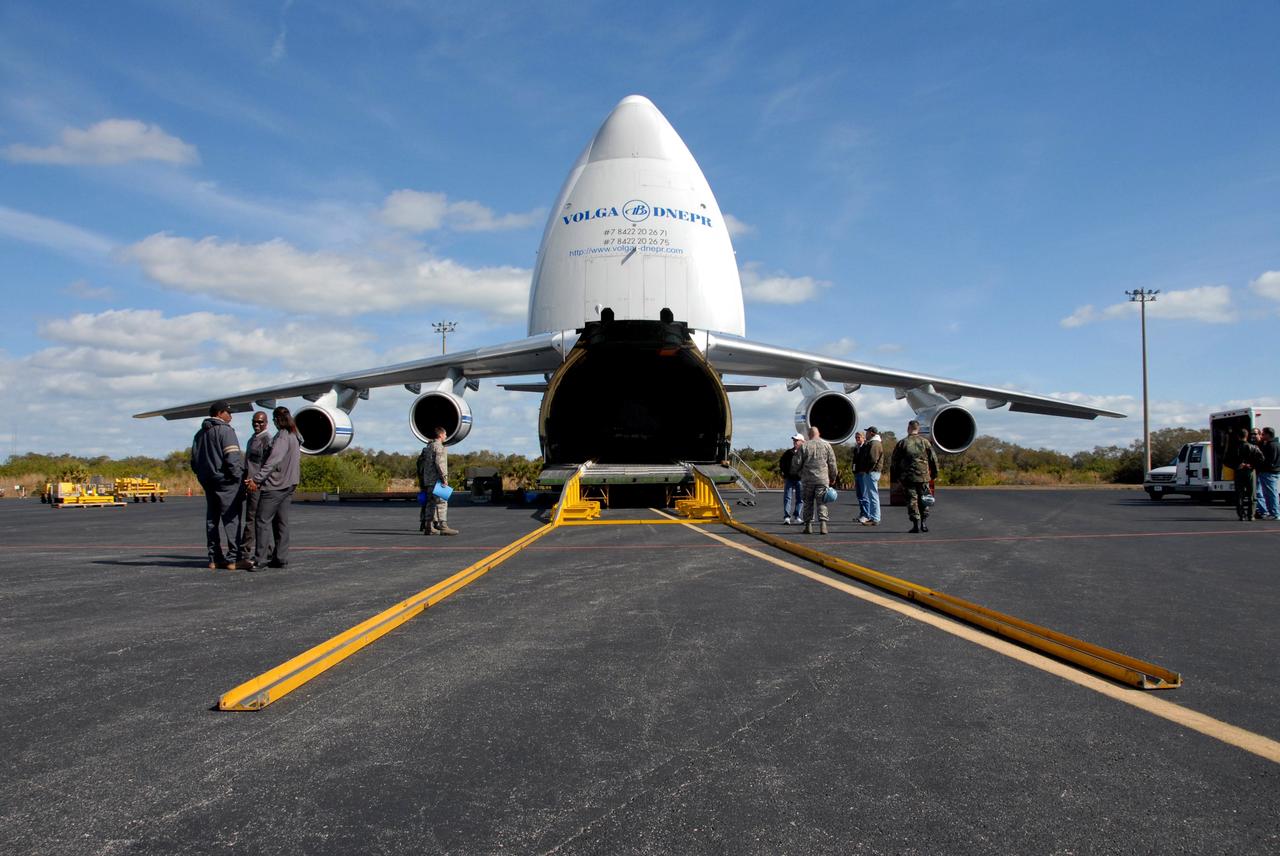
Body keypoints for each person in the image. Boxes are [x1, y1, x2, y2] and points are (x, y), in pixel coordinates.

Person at [190, 401, 245, 570]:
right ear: (220, 413)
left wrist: (204, 476)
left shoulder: (200, 434)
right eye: (228, 412)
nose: (231, 416)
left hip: (209, 482)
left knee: (212, 520)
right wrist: (238, 478)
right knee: (231, 520)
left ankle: (214, 558)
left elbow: (194, 461)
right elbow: (232, 458)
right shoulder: (225, 431)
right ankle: (234, 558)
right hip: (226, 482)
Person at [245, 406, 302, 569]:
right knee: (281, 522)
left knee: (262, 520)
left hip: (275, 486)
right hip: (289, 484)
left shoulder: (282, 436)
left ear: (276, 420)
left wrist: (257, 479)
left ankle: (261, 559)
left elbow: (273, 460)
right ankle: (280, 558)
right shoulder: (294, 435)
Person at [890, 419, 939, 534]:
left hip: (908, 477)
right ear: (918, 429)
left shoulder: (903, 443)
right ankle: (924, 523)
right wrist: (934, 473)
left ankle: (915, 524)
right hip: (923, 477)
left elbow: (895, 461)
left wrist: (897, 476)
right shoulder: (925, 442)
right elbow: (933, 459)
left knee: (912, 500)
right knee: (924, 498)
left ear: (908, 428)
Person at [239, 412, 272, 564]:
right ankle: (267, 550)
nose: (257, 425)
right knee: (257, 519)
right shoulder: (252, 439)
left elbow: (268, 465)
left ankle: (245, 552)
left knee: (252, 519)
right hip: (250, 483)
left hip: (258, 484)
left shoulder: (267, 440)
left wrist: (257, 481)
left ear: (266, 423)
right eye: (255, 422)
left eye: (260, 422)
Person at [797, 425, 838, 535]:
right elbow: (832, 463)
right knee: (822, 502)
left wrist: (797, 473)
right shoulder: (827, 445)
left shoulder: (804, 446)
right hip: (822, 479)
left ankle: (808, 526)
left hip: (807, 480)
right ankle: (823, 525)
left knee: (808, 502)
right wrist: (833, 477)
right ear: (818, 434)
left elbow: (797, 463)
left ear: (809, 435)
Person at [418, 426, 458, 536]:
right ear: (440, 435)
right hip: (437, 481)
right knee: (442, 503)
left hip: (428, 481)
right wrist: (444, 478)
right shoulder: (439, 447)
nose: (446, 436)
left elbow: (421, 464)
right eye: (445, 434)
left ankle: (429, 527)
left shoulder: (428, 447)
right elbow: (440, 463)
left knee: (430, 504)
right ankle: (443, 526)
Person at [1224, 427, 1263, 522]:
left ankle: (1242, 515)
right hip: (1250, 472)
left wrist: (1237, 466)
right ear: (1247, 436)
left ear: (1238, 436)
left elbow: (1225, 461)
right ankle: (1251, 515)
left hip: (1239, 472)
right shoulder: (1254, 447)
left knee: (1239, 494)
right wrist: (1252, 465)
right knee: (1252, 494)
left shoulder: (1233, 448)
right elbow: (1261, 459)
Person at [855, 426, 884, 526]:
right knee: (872, 495)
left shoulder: (874, 444)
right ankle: (873, 516)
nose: (866, 434)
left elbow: (873, 459)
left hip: (872, 472)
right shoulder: (872, 443)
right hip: (872, 472)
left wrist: (867, 469)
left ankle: (875, 518)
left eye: (867, 432)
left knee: (873, 495)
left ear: (871, 433)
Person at [779, 433, 805, 524]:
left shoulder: (805, 453)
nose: (794, 442)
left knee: (800, 499)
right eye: (794, 440)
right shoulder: (788, 452)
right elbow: (781, 463)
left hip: (800, 479)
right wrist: (785, 473)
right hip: (789, 478)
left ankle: (797, 517)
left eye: (796, 440)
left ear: (802, 441)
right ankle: (787, 517)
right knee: (787, 498)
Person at [1258, 427, 1280, 520]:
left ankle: (1275, 513)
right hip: (1274, 471)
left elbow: (1269, 460)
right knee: (1271, 492)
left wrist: (1261, 465)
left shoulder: (1270, 445)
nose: (1262, 436)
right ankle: (1273, 512)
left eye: (1263, 434)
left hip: (1269, 472)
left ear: (1268, 435)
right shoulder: (1277, 444)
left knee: (1271, 493)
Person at [850, 431, 866, 515]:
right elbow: (854, 461)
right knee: (859, 495)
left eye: (859, 437)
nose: (857, 439)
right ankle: (862, 513)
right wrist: (853, 470)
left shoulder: (866, 448)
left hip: (863, 474)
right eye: (856, 437)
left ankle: (866, 514)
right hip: (857, 473)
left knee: (864, 495)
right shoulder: (856, 448)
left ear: (863, 438)